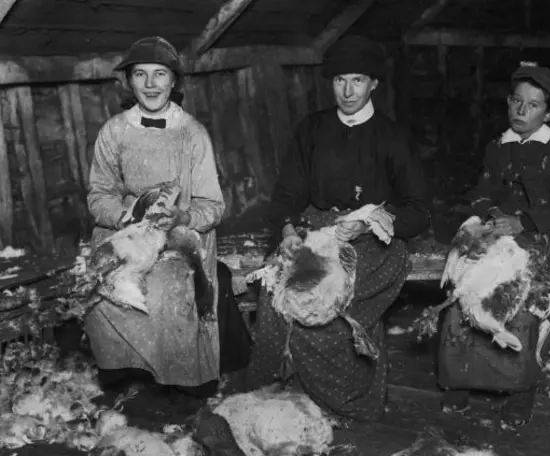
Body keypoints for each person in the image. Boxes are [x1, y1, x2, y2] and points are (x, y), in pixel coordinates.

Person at [246, 35, 431, 421]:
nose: (347, 91)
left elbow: (419, 210)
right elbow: (287, 193)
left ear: (374, 84)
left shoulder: (392, 136)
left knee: (331, 306)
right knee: (276, 297)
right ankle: (277, 398)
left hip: (372, 240)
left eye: (358, 81)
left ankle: (342, 403)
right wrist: (287, 231)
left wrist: (376, 221)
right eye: (339, 81)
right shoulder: (311, 129)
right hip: (313, 230)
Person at [84, 36, 251, 396]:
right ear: (128, 82)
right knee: (101, 289)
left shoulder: (192, 134)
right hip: (126, 232)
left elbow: (213, 206)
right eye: (140, 75)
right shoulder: (113, 132)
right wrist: (126, 216)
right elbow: (99, 195)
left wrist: (180, 217)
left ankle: (179, 383)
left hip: (179, 236)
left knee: (166, 289)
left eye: (159, 74)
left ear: (174, 81)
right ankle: (125, 374)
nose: (150, 84)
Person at [438, 62, 550, 426]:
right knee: (465, 296)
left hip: (539, 233)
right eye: (516, 101)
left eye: (533, 105)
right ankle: (458, 383)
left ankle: (519, 393)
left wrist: (522, 222)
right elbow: (480, 191)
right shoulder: (498, 146)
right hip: (500, 232)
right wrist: (490, 215)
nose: (521, 111)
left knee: (524, 303)